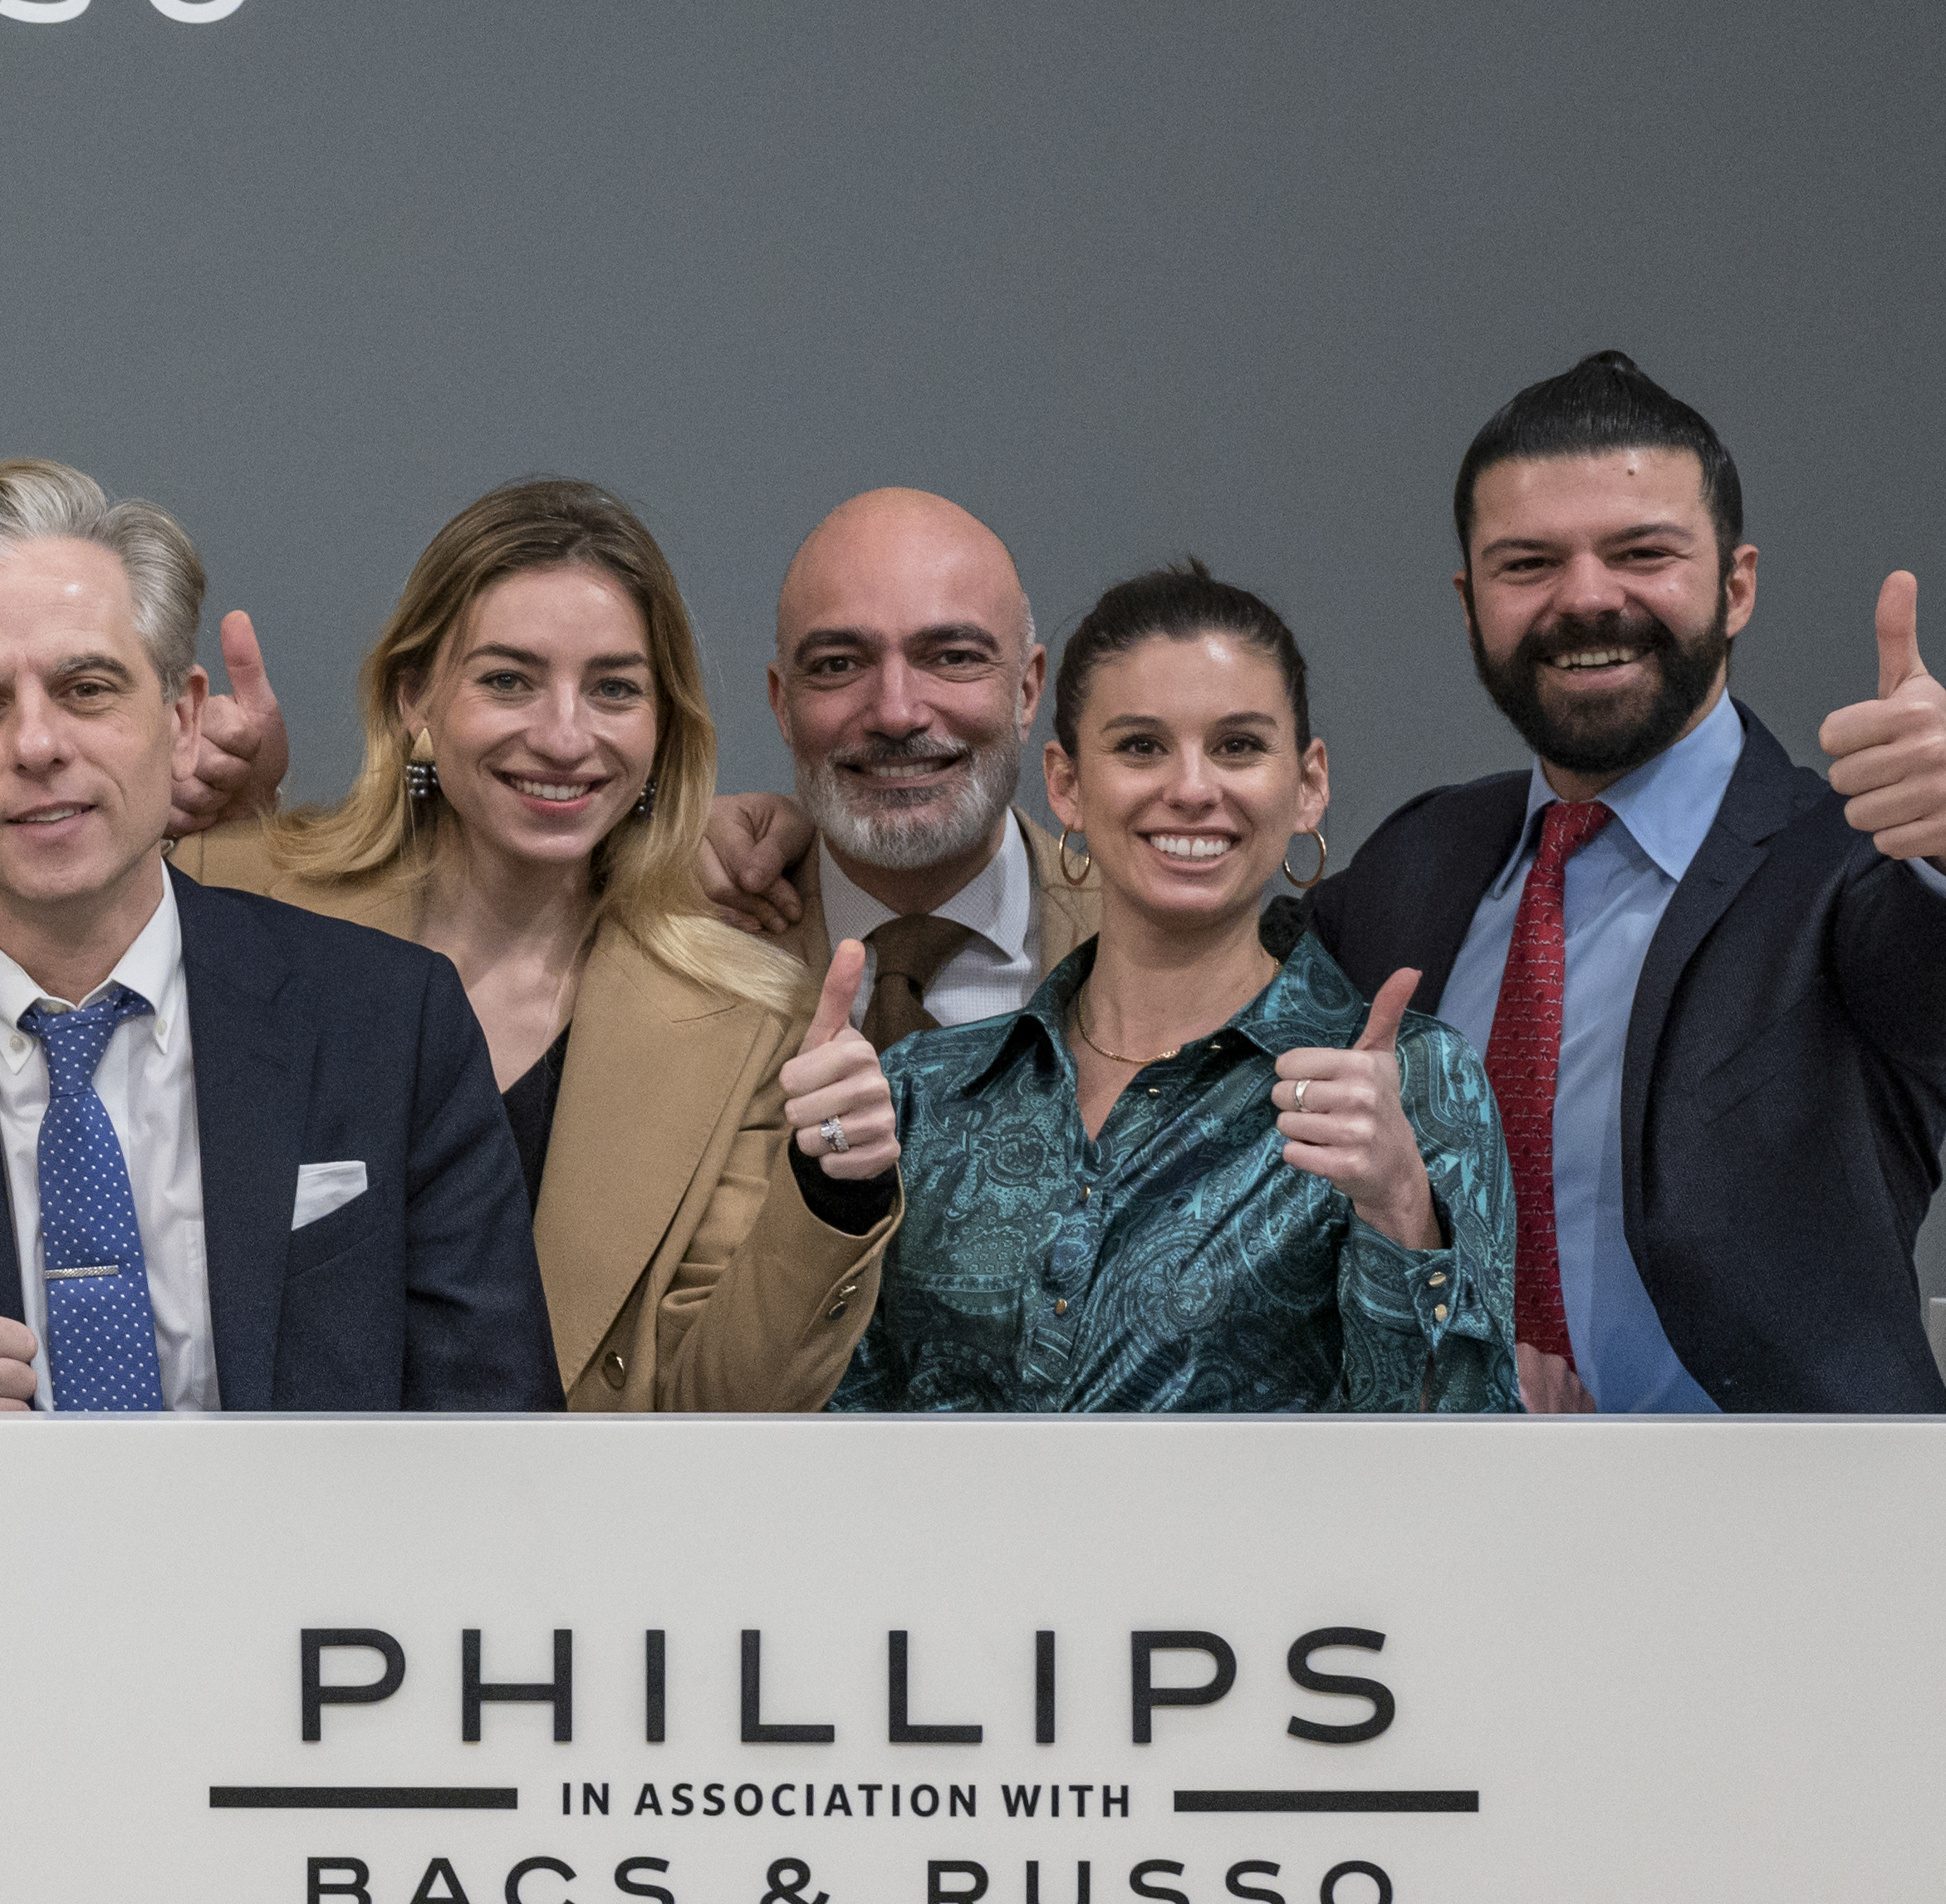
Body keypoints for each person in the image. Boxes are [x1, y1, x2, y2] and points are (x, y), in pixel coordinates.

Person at [0, 463, 547, 1415]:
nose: (37, 744)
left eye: (85, 688)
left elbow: (500, 1427)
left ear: (179, 720)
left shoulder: (388, 1023)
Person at [1301, 351, 1946, 1414]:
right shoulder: (1421, 857)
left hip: (1780, 1542)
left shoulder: (1848, 854)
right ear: (1468, 597)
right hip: (1455, 1527)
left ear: (1736, 584)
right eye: (1526, 564)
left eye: (1640, 552)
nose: (1585, 599)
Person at [182, 481, 885, 1407]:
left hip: (573, 1538)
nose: (562, 736)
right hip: (257, 1527)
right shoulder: (221, 898)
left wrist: (833, 1192)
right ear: (414, 700)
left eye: (613, 689)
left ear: (661, 726)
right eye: (507, 679)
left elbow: (719, 1408)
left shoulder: (750, 1020)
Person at [792, 562, 1513, 1415]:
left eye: (1237, 746)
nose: (1191, 788)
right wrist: (824, 1194)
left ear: (1307, 784)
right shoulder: (922, 1089)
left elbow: (1463, 1460)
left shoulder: (1411, 1083)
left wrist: (1398, 1206)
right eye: (1139, 746)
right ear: (1065, 784)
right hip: (950, 1552)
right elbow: (840, 1436)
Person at [737, 488, 1084, 1032]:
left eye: (952, 657)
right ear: (783, 704)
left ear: (1028, 691)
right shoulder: (685, 944)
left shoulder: (1157, 945)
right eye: (838, 664)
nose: (896, 714)